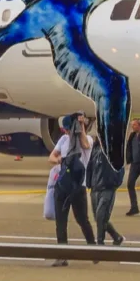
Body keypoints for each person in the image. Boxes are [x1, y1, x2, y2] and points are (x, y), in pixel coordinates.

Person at [48, 113, 96, 265]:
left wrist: (80, 128)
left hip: (78, 186)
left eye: (69, 129)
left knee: (82, 220)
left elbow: (86, 145)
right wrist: (59, 160)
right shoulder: (63, 140)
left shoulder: (86, 139)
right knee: (61, 222)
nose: (67, 132)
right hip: (63, 185)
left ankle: (94, 250)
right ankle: (62, 255)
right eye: (66, 129)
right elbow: (51, 157)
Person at [86, 136, 125, 246]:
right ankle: (116, 236)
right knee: (98, 218)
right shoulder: (95, 148)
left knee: (100, 216)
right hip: (95, 187)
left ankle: (100, 242)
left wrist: (114, 183)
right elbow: (90, 166)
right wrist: (89, 182)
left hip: (107, 188)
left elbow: (120, 167)